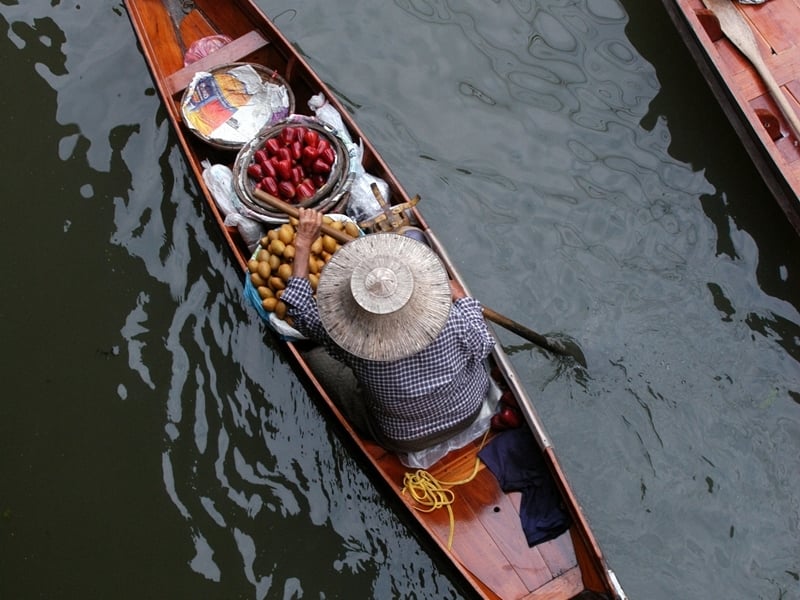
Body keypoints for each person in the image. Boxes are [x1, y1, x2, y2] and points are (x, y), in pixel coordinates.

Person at [280, 207, 496, 460]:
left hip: (404, 438)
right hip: (468, 409)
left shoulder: (354, 344)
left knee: (316, 357)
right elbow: (484, 344)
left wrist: (303, 242)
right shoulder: (450, 315)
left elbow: (300, 312)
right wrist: (463, 300)